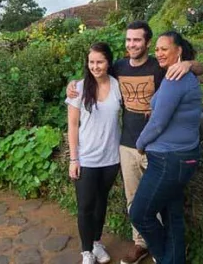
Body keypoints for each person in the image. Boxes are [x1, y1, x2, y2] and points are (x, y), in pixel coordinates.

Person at [67, 21, 203, 264]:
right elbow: (95, 74)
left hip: (157, 145)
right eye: (128, 40)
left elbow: (199, 69)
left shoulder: (161, 65)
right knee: (134, 200)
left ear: (147, 43)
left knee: (159, 203)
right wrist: (73, 87)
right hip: (128, 144)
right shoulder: (118, 67)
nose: (132, 44)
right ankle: (142, 246)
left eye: (137, 40)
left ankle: (164, 251)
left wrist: (189, 63)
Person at [129, 31, 203, 264]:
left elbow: (158, 122)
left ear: (178, 51)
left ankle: (166, 259)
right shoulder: (181, 75)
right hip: (181, 158)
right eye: (157, 49)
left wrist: (140, 144)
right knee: (172, 216)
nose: (159, 53)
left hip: (169, 160)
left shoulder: (175, 79)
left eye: (164, 48)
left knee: (140, 214)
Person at [67, 42, 123, 264]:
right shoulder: (78, 88)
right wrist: (74, 158)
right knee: (86, 206)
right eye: (91, 62)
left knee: (102, 202)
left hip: (111, 158)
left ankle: (97, 242)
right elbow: (72, 125)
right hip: (87, 157)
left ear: (108, 62)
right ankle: (86, 251)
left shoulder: (118, 86)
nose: (95, 66)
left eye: (100, 61)